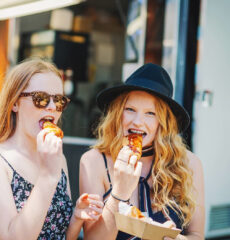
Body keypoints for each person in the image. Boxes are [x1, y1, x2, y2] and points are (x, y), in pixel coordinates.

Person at [0, 59, 104, 240]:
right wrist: (48, 177)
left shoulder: (58, 158)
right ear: (14, 103)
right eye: (40, 98)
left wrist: (77, 217)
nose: (51, 107)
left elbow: (61, 237)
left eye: (58, 100)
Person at [79, 63, 205, 240]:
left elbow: (197, 235)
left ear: (163, 122)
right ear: (117, 113)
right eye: (130, 110)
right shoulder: (93, 161)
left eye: (150, 113)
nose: (138, 122)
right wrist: (119, 194)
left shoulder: (189, 164)